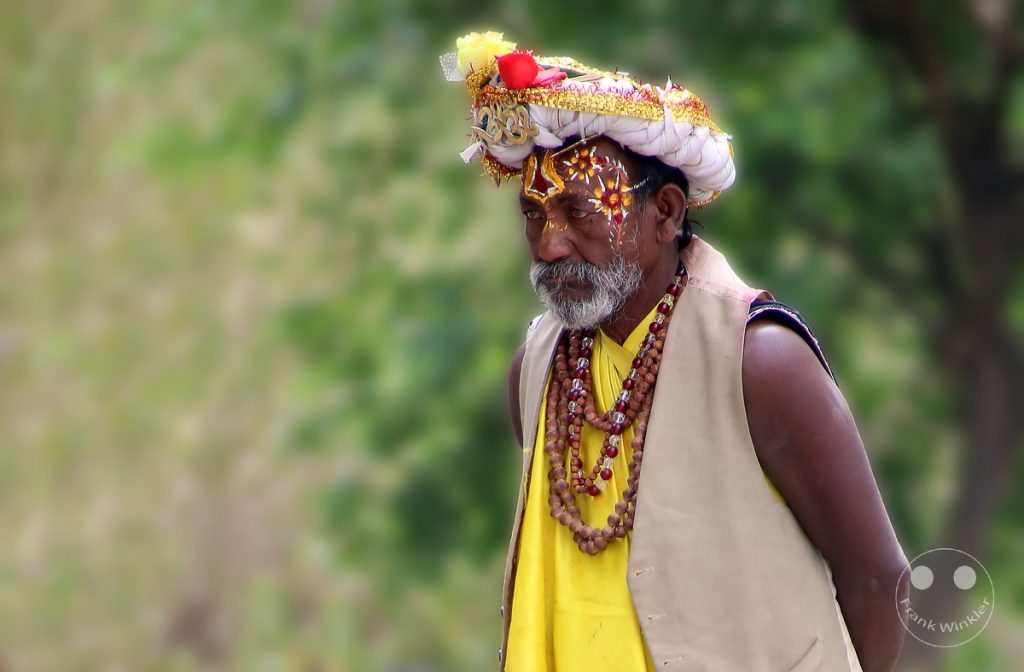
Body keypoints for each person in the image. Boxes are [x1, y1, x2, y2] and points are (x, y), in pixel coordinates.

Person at [442, 32, 910, 671]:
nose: (550, 245)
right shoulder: (535, 370)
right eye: (534, 215)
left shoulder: (761, 361)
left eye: (579, 212)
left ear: (664, 213)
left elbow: (881, 584)